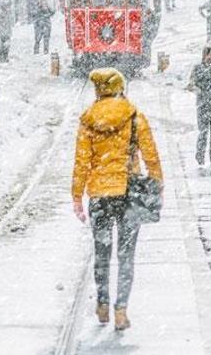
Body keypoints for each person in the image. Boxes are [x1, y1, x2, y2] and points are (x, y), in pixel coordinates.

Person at [71, 68, 163, 331]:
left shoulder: (88, 120)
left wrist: (77, 195)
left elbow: (81, 161)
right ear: (120, 88)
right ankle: (121, 310)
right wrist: (157, 184)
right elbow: (151, 154)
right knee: (126, 254)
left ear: (98, 90)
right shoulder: (134, 116)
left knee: (101, 252)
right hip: (128, 192)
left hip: (99, 195)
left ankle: (102, 305)